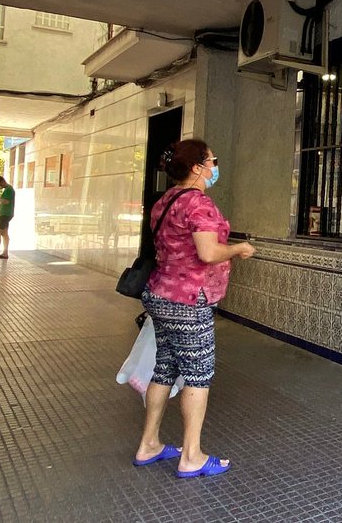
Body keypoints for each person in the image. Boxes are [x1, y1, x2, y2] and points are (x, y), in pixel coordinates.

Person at [133, 138, 255, 478]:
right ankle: (192, 456)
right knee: (198, 377)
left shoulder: (164, 201)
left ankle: (149, 444)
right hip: (189, 300)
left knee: (165, 368)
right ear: (198, 167)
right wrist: (238, 249)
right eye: (213, 161)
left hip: (160, 293)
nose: (216, 167)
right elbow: (207, 253)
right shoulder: (198, 204)